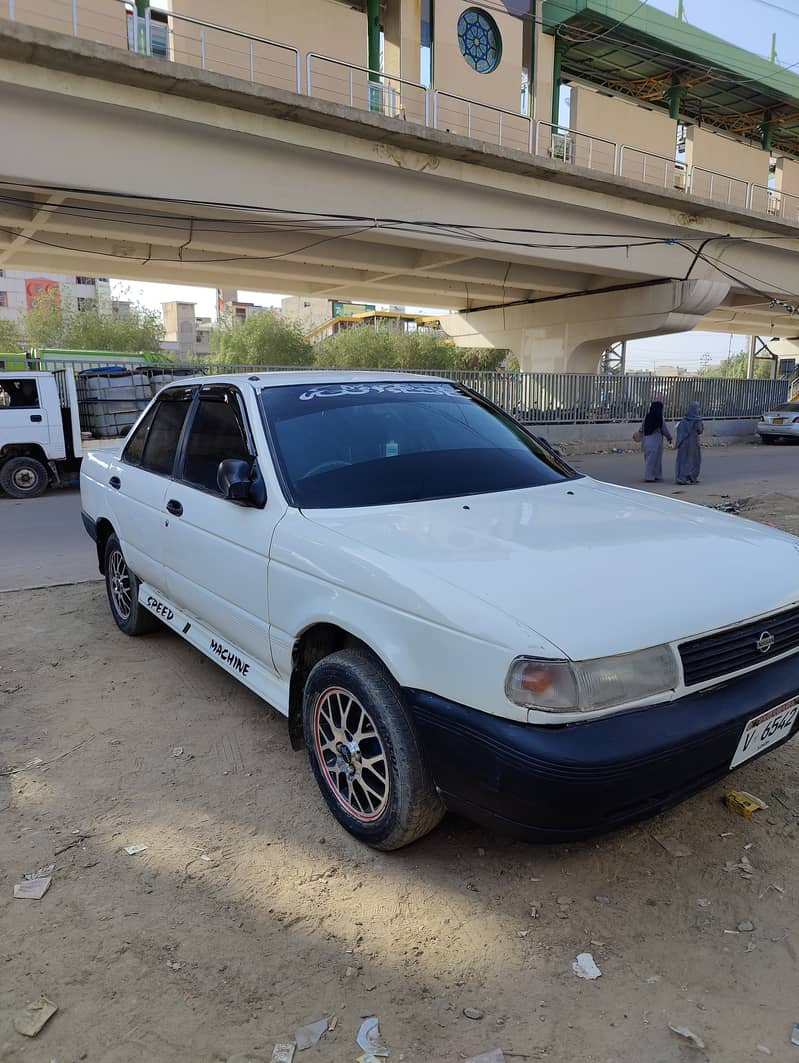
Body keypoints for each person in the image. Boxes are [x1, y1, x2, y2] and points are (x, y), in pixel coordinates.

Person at [640, 400, 672, 482]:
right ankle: (651, 476)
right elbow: (664, 429)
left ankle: (653, 475)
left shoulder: (647, 417)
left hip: (646, 440)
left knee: (649, 459)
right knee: (656, 460)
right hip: (656, 441)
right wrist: (669, 437)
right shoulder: (660, 418)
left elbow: (642, 428)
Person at [675, 400, 704, 484]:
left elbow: (679, 430)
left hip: (683, 443)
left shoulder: (684, 420)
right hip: (693, 443)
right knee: (693, 459)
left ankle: (681, 477)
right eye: (698, 408)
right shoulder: (698, 420)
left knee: (683, 459)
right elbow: (700, 430)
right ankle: (691, 476)